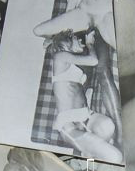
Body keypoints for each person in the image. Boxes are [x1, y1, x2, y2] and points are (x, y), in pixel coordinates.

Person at [45, 29, 121, 161]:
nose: (81, 41)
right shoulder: (60, 56)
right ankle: (89, 151)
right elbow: (93, 60)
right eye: (76, 39)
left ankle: (88, 153)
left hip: (86, 117)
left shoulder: (70, 65)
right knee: (116, 157)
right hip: (70, 127)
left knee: (108, 126)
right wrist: (90, 44)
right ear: (66, 44)